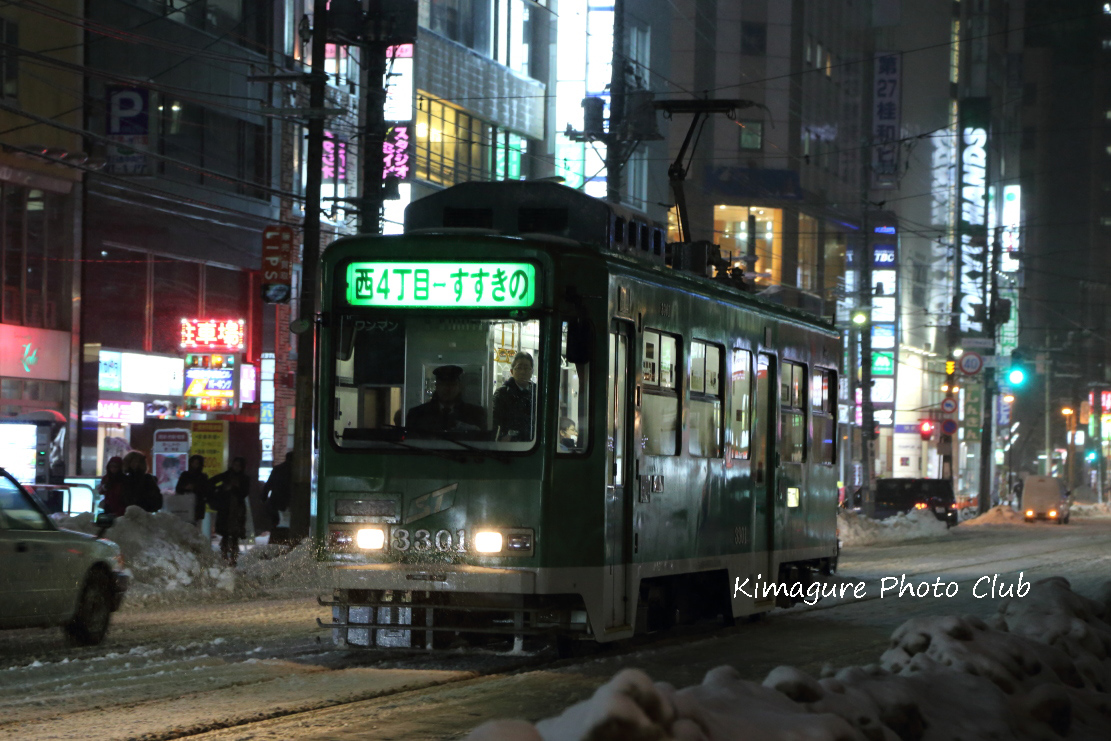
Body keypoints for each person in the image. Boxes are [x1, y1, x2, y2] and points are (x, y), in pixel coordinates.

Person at [406, 365, 487, 435]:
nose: (447, 389)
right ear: (436, 386)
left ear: (459, 387)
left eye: (452, 384)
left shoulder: (476, 414)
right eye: (442, 384)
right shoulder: (417, 415)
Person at [210, 457, 251, 566]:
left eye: (239, 465)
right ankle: (224, 555)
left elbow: (244, 493)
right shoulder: (226, 475)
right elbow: (212, 482)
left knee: (235, 533)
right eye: (235, 465)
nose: (236, 467)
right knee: (225, 532)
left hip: (237, 508)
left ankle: (233, 556)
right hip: (225, 507)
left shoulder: (244, 478)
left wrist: (234, 489)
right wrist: (222, 489)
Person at [493, 352, 535, 442]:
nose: (523, 372)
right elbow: (494, 421)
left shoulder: (538, 393)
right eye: (519, 368)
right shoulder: (502, 393)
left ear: (532, 372)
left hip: (533, 442)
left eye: (527, 368)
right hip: (509, 442)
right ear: (512, 371)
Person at [176, 455, 212, 525]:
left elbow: (206, 491)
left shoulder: (203, 477)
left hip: (197, 505)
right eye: (193, 463)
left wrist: (195, 488)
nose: (195, 465)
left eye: (197, 463)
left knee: (195, 526)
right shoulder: (185, 475)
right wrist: (185, 488)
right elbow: (178, 489)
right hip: (185, 504)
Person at [262, 452, 293, 534]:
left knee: (276, 524)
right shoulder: (296, 470)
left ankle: (276, 539)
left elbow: (268, 484)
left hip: (276, 500)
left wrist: (264, 498)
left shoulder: (278, 469)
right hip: (289, 501)